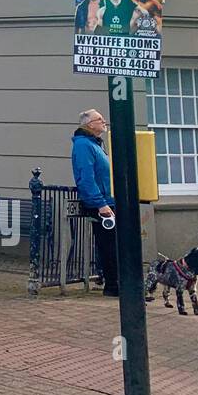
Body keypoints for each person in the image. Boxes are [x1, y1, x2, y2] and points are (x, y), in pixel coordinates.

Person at [72, 108, 119, 296]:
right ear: (89, 124)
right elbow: (86, 177)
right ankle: (113, 285)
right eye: (100, 119)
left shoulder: (96, 144)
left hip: (108, 201)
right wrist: (100, 204)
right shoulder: (84, 145)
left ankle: (116, 282)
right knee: (108, 245)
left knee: (113, 244)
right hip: (102, 204)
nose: (104, 122)